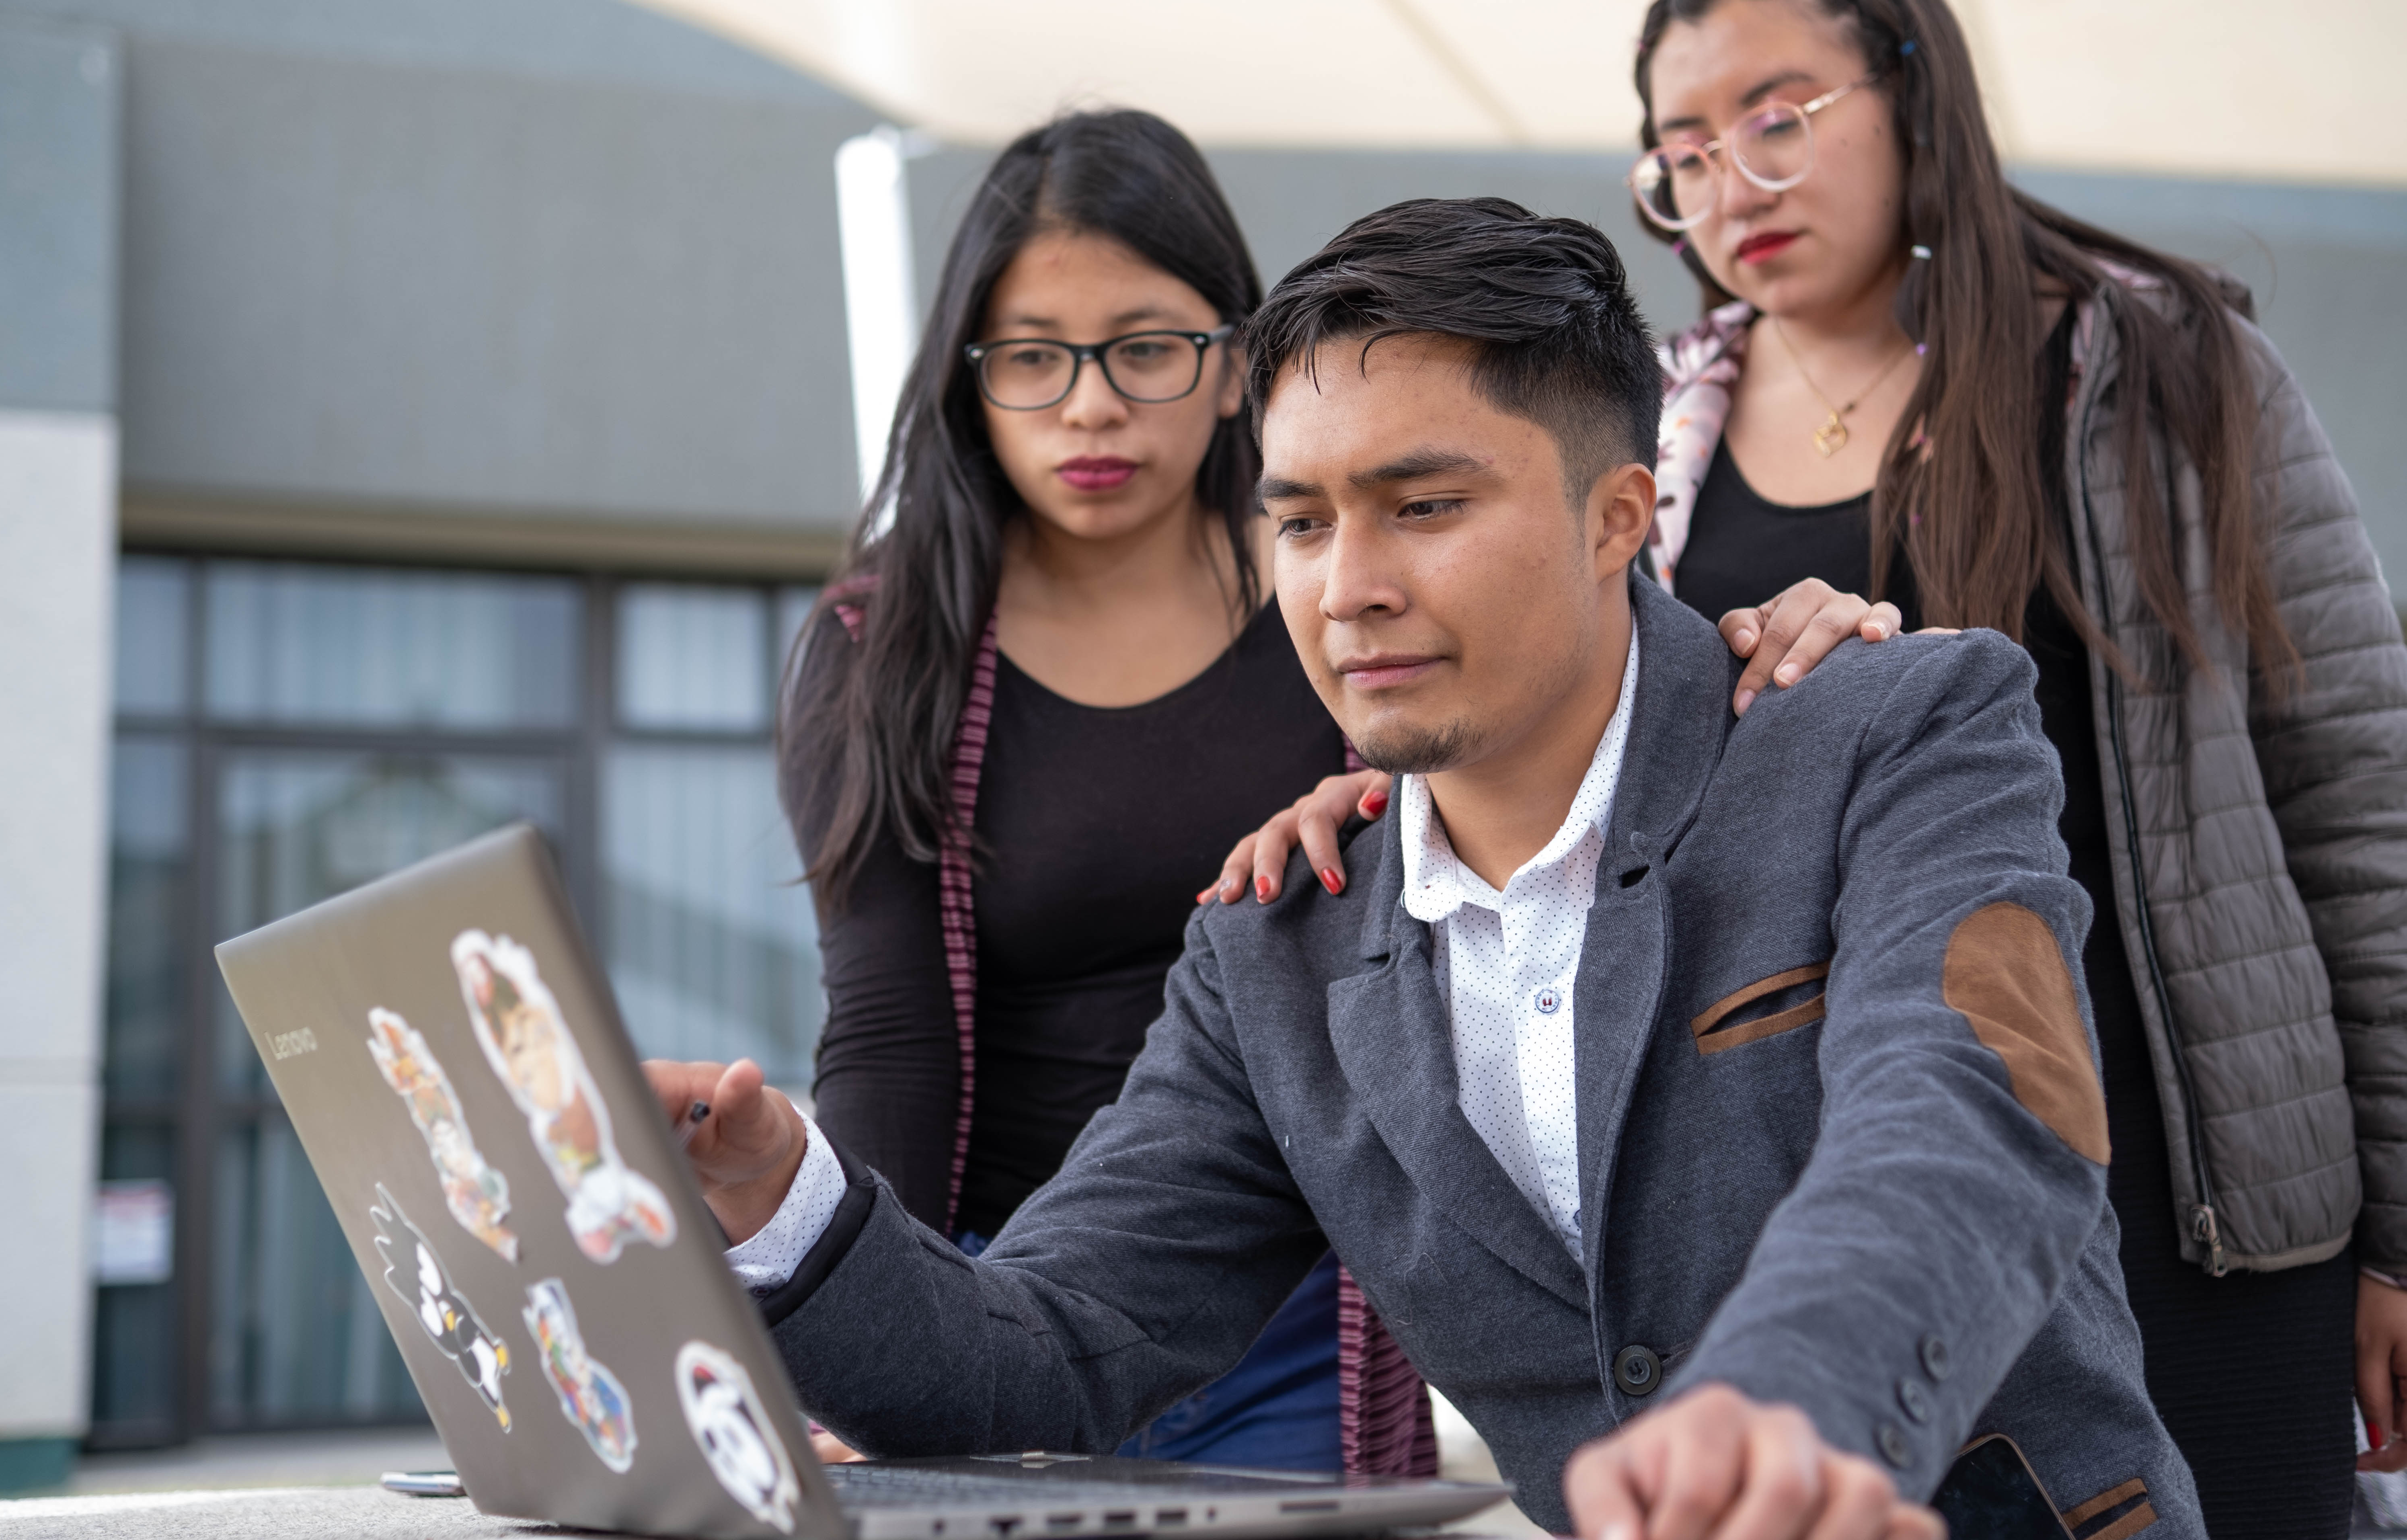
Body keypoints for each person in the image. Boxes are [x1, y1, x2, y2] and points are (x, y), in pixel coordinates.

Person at [651, 196, 2200, 1540]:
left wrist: (1782, 1400)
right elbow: (1045, 1347)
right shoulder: (1281, 942)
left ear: (1620, 515)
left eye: (1426, 506)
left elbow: (1968, 1120)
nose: (1350, 588)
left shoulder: (1894, 726)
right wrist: (778, 1196)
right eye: (1302, 523)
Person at [1211, 3, 2407, 1534]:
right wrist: (1381, 806)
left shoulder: (2162, 367)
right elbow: (1560, 734)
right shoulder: (1662, 422)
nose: (1731, 190)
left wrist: (2394, 1236)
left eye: (1776, 121)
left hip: (2190, 1174)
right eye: (1683, 154)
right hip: (1827, 1193)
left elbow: (2356, 798)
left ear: (1916, 92)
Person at [777, 109, 1428, 1474]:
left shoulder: (1350, 597)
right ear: (971, 377)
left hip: (1295, 1317)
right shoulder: (882, 646)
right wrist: (852, 1344)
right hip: (988, 1304)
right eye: (1033, 359)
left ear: (1239, 364)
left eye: (1145, 349)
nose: (1090, 406)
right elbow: (888, 1035)